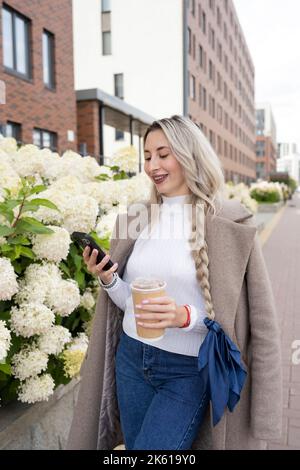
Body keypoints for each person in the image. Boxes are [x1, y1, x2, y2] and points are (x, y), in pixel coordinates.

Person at [66, 115, 282, 450]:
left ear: (189, 154)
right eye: (148, 155)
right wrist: (110, 280)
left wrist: (185, 317)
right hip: (132, 360)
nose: (153, 165)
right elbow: (131, 306)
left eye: (164, 154)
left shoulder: (229, 221)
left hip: (187, 371)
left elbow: (255, 322)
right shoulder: (136, 218)